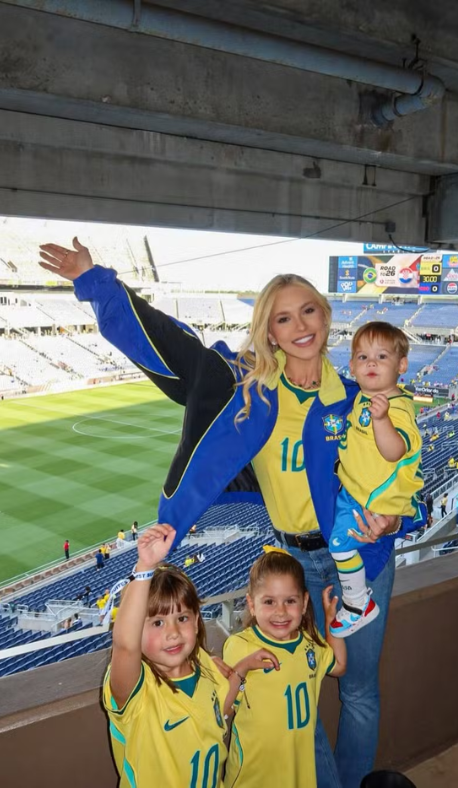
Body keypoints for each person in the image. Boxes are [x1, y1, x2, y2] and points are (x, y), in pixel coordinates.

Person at [38, 239, 422, 788]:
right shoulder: (247, 388)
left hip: (363, 554)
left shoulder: (359, 393)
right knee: (302, 700)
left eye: (308, 310)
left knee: (359, 689)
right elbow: (172, 347)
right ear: (269, 331)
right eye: (283, 317)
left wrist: (396, 521)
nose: (300, 325)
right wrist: (94, 281)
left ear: (326, 314)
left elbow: (406, 469)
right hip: (293, 562)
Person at [103, 524, 276, 786]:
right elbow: (125, 646)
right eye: (157, 623)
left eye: (182, 618)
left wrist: (240, 671)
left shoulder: (205, 666)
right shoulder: (137, 691)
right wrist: (144, 568)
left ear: (196, 622)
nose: (173, 632)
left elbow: (218, 712)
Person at [328, 323, 422, 638]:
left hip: (370, 502)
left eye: (381, 356)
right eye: (362, 356)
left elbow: (395, 450)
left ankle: (358, 603)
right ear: (352, 366)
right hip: (358, 493)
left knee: (340, 547)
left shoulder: (396, 406)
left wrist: (381, 421)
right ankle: (356, 602)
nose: (371, 363)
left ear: (402, 365)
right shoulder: (365, 397)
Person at [224, 548, 347, 787]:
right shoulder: (240, 646)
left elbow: (339, 666)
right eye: (269, 602)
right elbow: (222, 708)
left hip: (298, 772)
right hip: (254, 775)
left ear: (304, 603)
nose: (280, 611)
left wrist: (333, 624)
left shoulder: (309, 646)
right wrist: (242, 668)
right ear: (251, 604)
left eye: (290, 601)